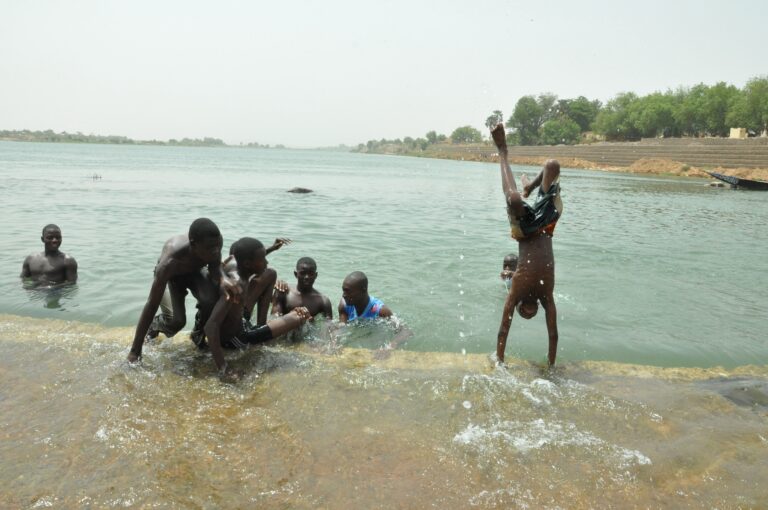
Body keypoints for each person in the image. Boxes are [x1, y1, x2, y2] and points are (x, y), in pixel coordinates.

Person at [491, 123, 562, 366]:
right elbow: (553, 334)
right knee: (552, 165)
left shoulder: (516, 291)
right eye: (531, 315)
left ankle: (502, 152)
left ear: (519, 307)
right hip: (546, 228)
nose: (528, 314)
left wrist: (499, 361)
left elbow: (503, 330)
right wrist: (551, 367)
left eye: (523, 313)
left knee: (513, 199)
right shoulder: (547, 296)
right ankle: (531, 187)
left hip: (524, 232)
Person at [127, 218, 239, 363]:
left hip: (195, 271)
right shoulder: (170, 262)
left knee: (210, 299)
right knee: (177, 322)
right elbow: (152, 304)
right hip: (173, 276)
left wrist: (223, 279)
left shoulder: (213, 242)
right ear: (193, 244)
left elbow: (214, 267)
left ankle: (198, 335)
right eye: (211, 249)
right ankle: (156, 325)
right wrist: (135, 351)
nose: (216, 251)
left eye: (218, 247)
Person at [204, 237, 311, 380]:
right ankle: (261, 337)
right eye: (263, 259)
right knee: (299, 316)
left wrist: (272, 248)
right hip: (237, 338)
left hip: (240, 317)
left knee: (270, 273)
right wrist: (224, 368)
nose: (266, 261)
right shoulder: (236, 286)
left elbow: (249, 258)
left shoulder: (233, 262)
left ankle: (261, 325)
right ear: (248, 264)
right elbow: (211, 326)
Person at [337, 271, 411, 357]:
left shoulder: (380, 311)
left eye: (348, 291)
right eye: (343, 290)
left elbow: (405, 332)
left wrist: (389, 348)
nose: (344, 295)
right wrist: (334, 343)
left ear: (363, 290)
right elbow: (342, 328)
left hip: (376, 330)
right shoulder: (344, 306)